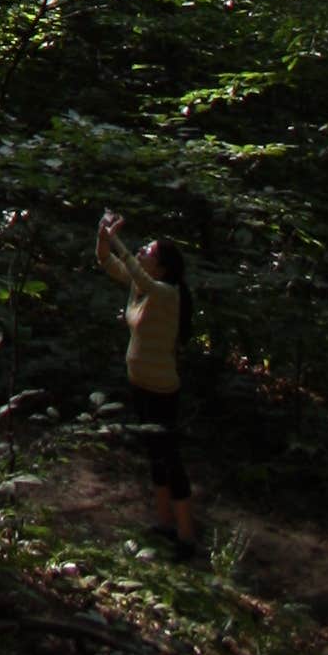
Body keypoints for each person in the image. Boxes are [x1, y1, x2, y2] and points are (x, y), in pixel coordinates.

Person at [97, 210, 197, 553]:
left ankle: (186, 535)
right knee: (155, 454)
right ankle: (164, 521)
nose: (140, 253)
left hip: (162, 389)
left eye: (148, 252)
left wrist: (117, 242)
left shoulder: (166, 292)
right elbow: (107, 263)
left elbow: (131, 266)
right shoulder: (140, 287)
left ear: (163, 267)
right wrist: (103, 237)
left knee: (170, 456)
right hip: (139, 383)